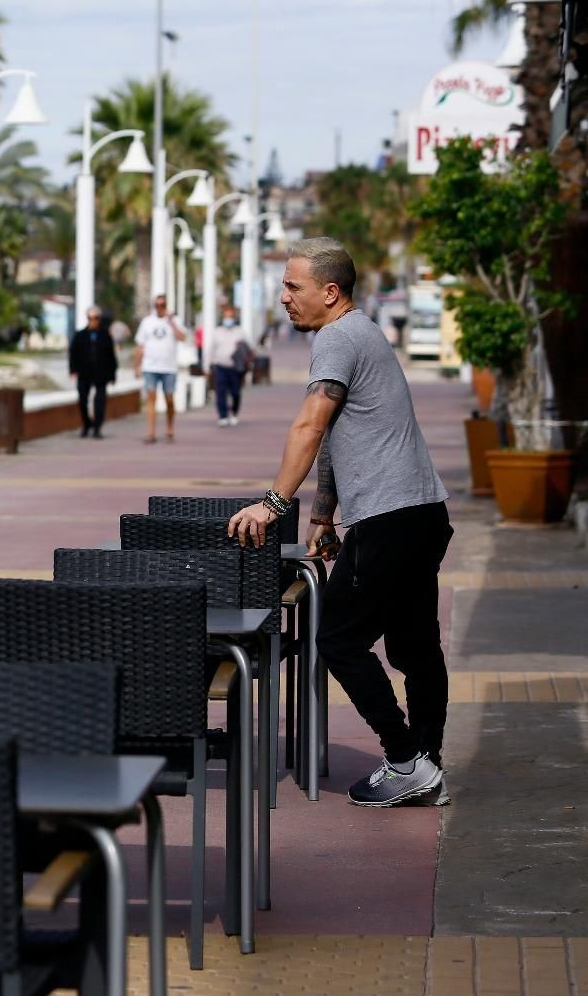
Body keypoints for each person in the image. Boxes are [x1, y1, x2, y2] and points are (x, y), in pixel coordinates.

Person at [228, 237, 451, 809]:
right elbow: (335, 434)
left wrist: (274, 504)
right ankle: (426, 764)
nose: (283, 298)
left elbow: (311, 422)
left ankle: (404, 759)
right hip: (420, 512)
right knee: (414, 647)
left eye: (292, 287)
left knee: (338, 639)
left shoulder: (337, 337)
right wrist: (323, 513)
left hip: (390, 517)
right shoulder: (360, 333)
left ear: (330, 293)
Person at [132, 294, 185, 443]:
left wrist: (172, 322)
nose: (160, 308)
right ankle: (151, 433)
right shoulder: (147, 322)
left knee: (169, 399)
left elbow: (182, 337)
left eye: (163, 305)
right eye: (157, 305)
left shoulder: (175, 321)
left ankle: (169, 429)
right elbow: (140, 345)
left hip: (169, 368)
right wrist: (137, 366)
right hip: (150, 367)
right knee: (151, 398)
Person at [69, 306, 117, 439]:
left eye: (96, 318)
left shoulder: (105, 335)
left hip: (101, 373)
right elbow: (73, 353)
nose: (93, 321)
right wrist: (73, 370)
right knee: (82, 400)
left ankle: (97, 428)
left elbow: (111, 356)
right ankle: (86, 424)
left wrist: (112, 375)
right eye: (90, 318)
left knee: (100, 401)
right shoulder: (80, 335)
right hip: (84, 373)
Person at [209, 301, 252, 427]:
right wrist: (208, 365)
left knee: (235, 392)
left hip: (235, 368)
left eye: (230, 316)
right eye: (226, 316)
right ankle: (222, 416)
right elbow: (211, 350)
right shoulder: (217, 332)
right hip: (220, 366)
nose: (228, 319)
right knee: (220, 392)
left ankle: (233, 412)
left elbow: (248, 349)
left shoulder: (240, 332)